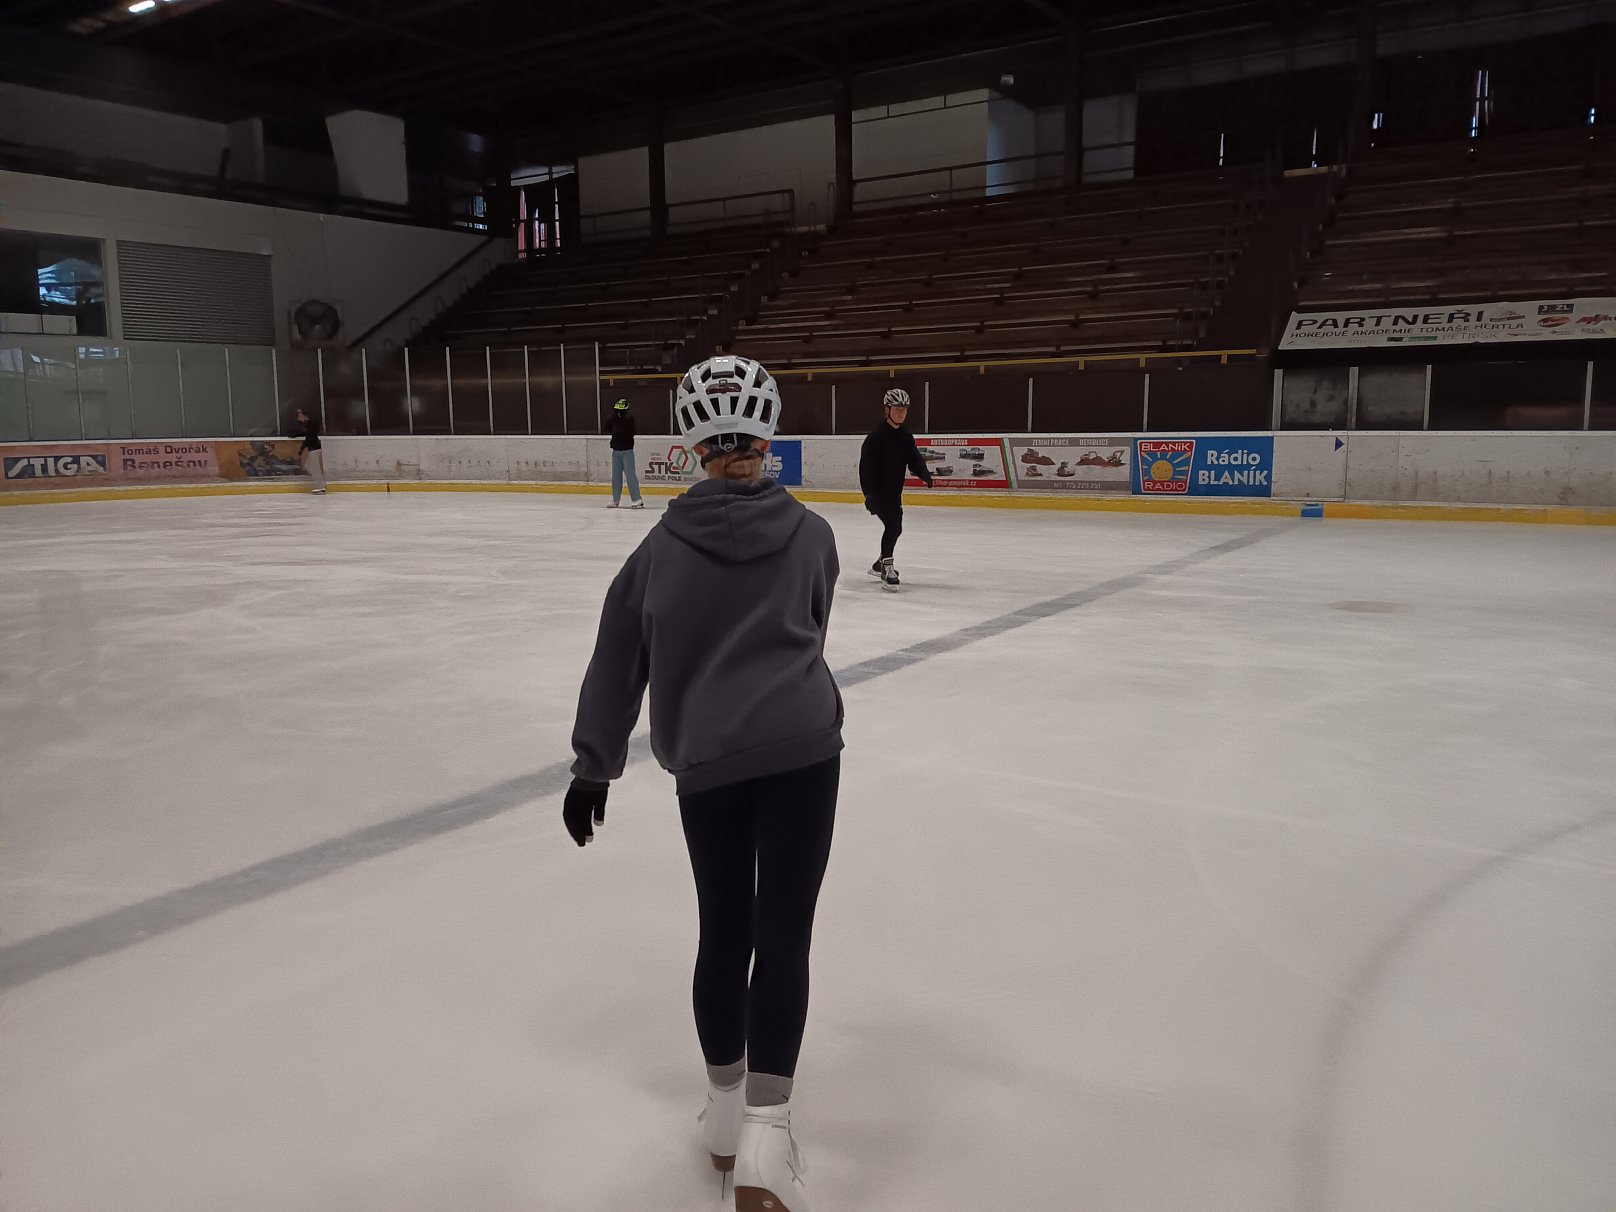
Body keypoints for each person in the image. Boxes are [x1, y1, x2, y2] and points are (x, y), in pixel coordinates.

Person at [564, 355, 841, 1212]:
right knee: (784, 935)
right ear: (769, 437)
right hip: (802, 751)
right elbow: (814, 623)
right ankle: (766, 1136)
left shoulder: (655, 554)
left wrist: (594, 766)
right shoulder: (813, 534)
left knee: (725, 930)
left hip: (709, 763)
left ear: (688, 449)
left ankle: (725, 1116)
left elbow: (619, 659)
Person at [857, 387, 932, 590]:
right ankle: (887, 567)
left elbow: (914, 458)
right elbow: (866, 469)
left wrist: (924, 474)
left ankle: (879, 563)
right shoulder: (876, 437)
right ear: (887, 410)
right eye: (897, 409)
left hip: (894, 492)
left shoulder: (905, 436)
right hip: (877, 493)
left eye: (904, 409)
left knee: (895, 528)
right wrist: (869, 494)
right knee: (893, 526)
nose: (901, 413)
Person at [604, 397, 643, 509]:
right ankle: (615, 499)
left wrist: (617, 426)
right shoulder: (614, 420)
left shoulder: (629, 420)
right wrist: (614, 418)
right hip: (616, 451)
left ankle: (637, 499)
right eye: (617, 411)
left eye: (620, 411)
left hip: (627, 451)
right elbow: (606, 427)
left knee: (630, 475)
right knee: (616, 476)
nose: (618, 413)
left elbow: (626, 432)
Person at [294, 408, 325, 494]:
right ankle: (321, 484)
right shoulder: (309, 424)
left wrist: (301, 449)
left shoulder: (310, 425)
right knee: (308, 466)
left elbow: (309, 438)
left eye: (300, 415)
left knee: (314, 468)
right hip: (314, 448)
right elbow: (306, 435)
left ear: (305, 416)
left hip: (314, 448)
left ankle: (320, 486)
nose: (299, 417)